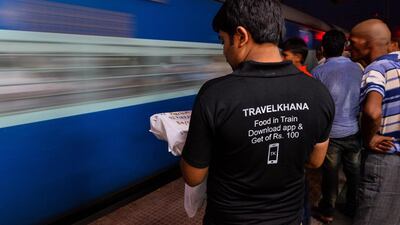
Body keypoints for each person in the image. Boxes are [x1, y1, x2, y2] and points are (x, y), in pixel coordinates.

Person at [180, 0, 335, 224]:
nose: (224, 51)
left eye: (223, 41)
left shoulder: (215, 94)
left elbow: (193, 177)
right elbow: (315, 161)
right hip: (288, 218)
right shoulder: (318, 92)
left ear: (241, 36)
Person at [348, 19, 400, 225]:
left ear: (367, 43)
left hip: (385, 158)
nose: (348, 47)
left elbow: (372, 111)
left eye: (352, 42)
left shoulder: (376, 69)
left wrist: (370, 137)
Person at [311, 30, 363, 223]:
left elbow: (316, 106)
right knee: (354, 172)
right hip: (353, 132)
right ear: (344, 47)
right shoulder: (358, 69)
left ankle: (327, 212)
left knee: (330, 175)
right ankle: (352, 207)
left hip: (330, 135)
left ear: (323, 49)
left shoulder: (318, 72)